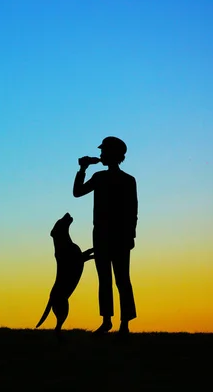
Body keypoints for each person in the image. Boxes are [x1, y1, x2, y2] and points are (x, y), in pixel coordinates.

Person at [73, 136, 138, 335]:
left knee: (120, 279)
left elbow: (132, 211)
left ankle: (123, 323)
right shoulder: (101, 177)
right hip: (104, 236)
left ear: (114, 155)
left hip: (115, 236)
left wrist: (130, 236)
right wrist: (83, 169)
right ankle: (110, 321)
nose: (101, 155)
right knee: (108, 279)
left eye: (104, 151)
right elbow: (77, 192)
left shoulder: (126, 180)